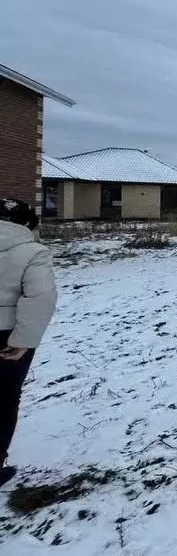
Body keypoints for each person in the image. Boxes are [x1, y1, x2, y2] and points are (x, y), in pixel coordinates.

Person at [0, 198, 57, 487]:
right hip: (6, 336)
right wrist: (22, 341)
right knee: (4, 397)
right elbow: (39, 298)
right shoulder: (32, 252)